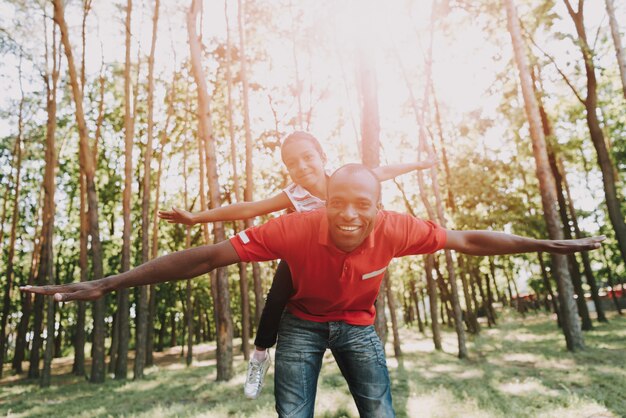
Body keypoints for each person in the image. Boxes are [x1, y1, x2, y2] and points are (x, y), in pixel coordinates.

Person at [22, 164, 604, 418]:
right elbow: (202, 259)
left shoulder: (399, 227)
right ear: (323, 201)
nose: (349, 215)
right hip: (299, 323)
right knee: (289, 409)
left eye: (363, 205)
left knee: (378, 407)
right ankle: (255, 367)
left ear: (378, 208)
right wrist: (107, 282)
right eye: (338, 203)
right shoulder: (293, 225)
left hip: (356, 325)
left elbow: (472, 239)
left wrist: (547, 246)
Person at [157, 131, 437, 399]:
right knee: (277, 294)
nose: (301, 167)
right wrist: (197, 218)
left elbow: (386, 170)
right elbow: (248, 208)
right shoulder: (294, 194)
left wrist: (420, 163)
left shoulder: (348, 179)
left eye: (307, 157)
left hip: (348, 259)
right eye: (292, 163)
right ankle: (259, 357)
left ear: (322, 156)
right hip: (309, 258)